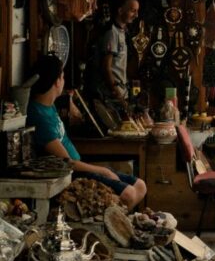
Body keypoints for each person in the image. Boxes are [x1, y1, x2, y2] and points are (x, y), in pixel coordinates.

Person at [27, 55, 147, 209]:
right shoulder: (38, 115)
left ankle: (115, 221)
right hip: (72, 174)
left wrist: (71, 102)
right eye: (62, 77)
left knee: (140, 186)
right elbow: (66, 163)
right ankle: (112, 224)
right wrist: (102, 170)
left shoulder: (49, 105)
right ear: (57, 81)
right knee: (129, 194)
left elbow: (70, 102)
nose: (63, 81)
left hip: (80, 166)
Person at [92, 0, 139, 104]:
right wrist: (117, 93)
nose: (136, 15)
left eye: (137, 11)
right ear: (120, 10)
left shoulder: (123, 32)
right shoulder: (112, 33)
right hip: (111, 97)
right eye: (133, 11)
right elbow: (106, 67)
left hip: (121, 93)